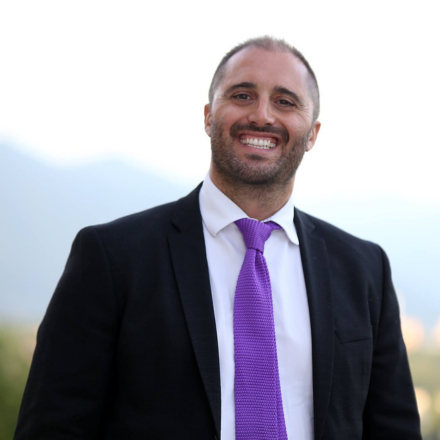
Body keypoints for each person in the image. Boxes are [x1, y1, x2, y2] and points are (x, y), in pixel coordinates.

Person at [15, 36, 421, 440]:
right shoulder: (112, 257)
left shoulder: (365, 269)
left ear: (312, 133)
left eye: (285, 101)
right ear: (209, 116)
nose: (262, 115)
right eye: (242, 95)